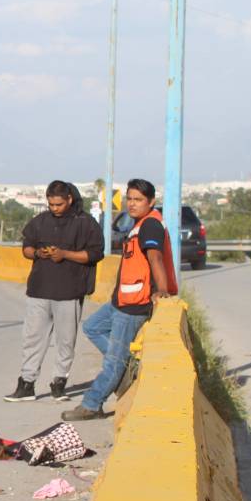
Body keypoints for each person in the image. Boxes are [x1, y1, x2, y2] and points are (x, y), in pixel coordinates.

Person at [63, 178, 176, 421]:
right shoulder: (138, 224)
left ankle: (92, 404)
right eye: (130, 199)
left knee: (113, 360)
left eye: (139, 200)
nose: (132, 204)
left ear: (151, 202)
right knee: (92, 327)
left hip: (135, 304)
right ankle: (124, 365)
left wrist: (162, 290)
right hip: (121, 300)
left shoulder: (150, 227)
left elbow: (156, 258)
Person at [4, 181, 104, 403]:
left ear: (69, 199)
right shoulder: (40, 221)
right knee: (32, 339)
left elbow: (95, 254)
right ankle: (26, 384)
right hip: (39, 290)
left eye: (58, 204)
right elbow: (26, 248)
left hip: (70, 292)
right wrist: (38, 253)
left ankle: (59, 383)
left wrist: (65, 254)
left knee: (65, 341)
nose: (54, 208)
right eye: (51, 204)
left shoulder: (86, 223)